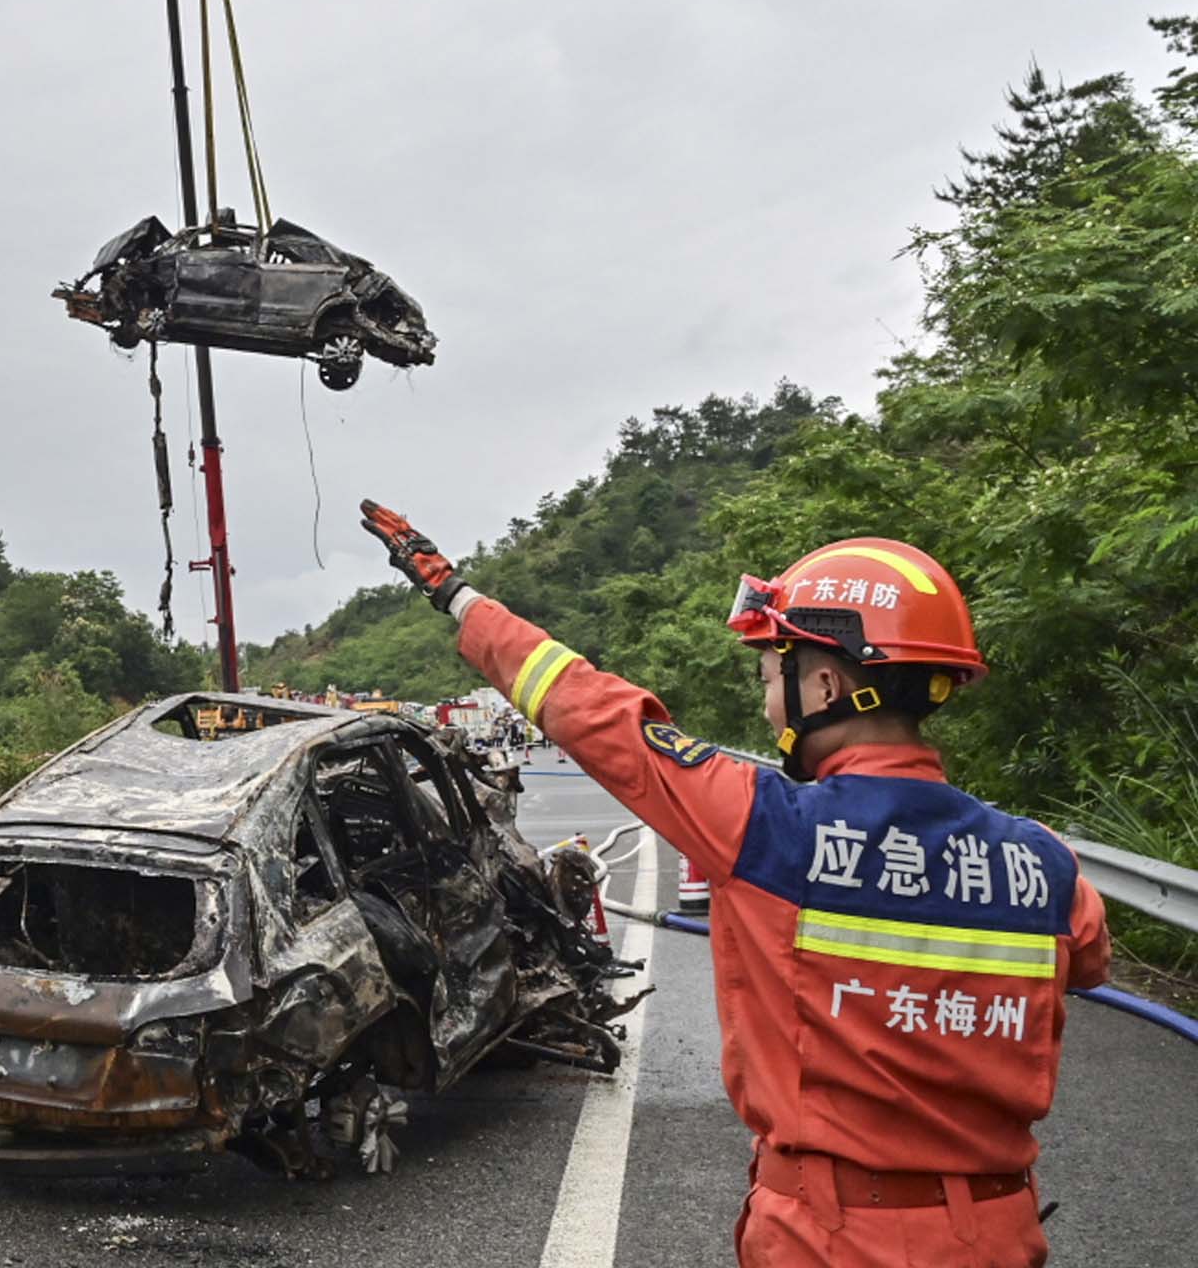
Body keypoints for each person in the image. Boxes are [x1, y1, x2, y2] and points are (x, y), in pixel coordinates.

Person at [358, 501, 1109, 1268]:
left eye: (768, 673)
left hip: (835, 1236)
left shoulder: (764, 825)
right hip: (998, 1231)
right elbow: (1085, 964)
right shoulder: (1044, 863)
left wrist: (452, 591)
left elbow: (593, 709)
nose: (766, 699)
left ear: (823, 686)